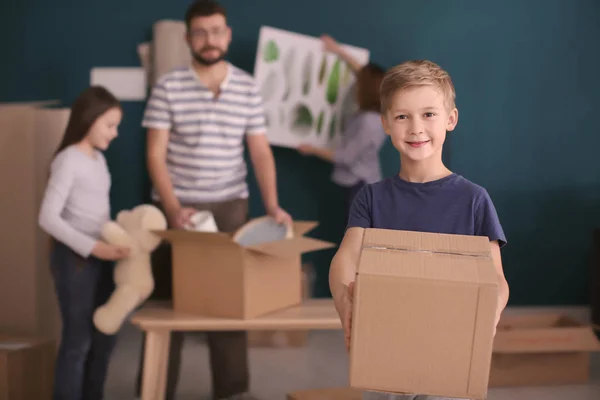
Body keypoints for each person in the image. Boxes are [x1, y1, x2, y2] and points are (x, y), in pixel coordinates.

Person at [135, 1, 292, 399]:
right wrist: (172, 209)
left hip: (231, 208)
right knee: (169, 307)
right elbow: (154, 154)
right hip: (176, 209)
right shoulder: (168, 86)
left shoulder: (247, 86)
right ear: (188, 38)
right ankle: (155, 390)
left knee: (229, 305)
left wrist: (272, 204)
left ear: (228, 34)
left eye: (217, 30)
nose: (210, 39)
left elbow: (259, 152)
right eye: (201, 32)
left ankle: (233, 392)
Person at [328, 60, 510, 400]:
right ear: (385, 124)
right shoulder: (371, 198)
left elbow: (496, 278)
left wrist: (490, 313)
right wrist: (344, 300)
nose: (415, 128)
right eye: (402, 116)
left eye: (428, 114)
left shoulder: (474, 200)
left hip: (450, 351)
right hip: (386, 349)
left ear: (450, 119)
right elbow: (345, 258)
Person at [38, 86, 130, 400]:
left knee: (104, 336)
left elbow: (96, 214)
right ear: (88, 120)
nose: (115, 134)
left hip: (101, 256)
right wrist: (94, 248)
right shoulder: (68, 161)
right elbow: (48, 218)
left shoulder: (98, 161)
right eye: (110, 125)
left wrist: (116, 240)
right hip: (75, 261)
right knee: (78, 342)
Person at [296, 34, 387, 221]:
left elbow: (345, 156)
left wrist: (312, 149)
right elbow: (362, 73)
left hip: (360, 184)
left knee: (357, 235)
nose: (355, 89)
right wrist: (337, 50)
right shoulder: (375, 115)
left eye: (359, 86)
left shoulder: (369, 122)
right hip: (360, 182)